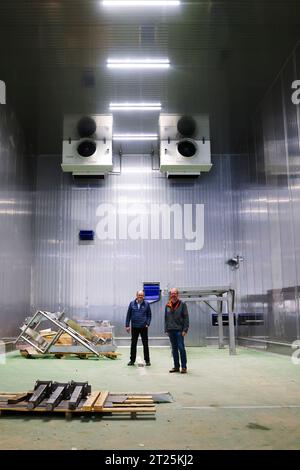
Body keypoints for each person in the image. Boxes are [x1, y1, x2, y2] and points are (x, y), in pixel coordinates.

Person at [165, 288, 189, 373]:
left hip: (179, 331)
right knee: (174, 349)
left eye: (175, 293)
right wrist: (166, 329)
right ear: (170, 295)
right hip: (171, 330)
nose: (173, 295)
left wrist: (185, 330)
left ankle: (184, 367)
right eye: (172, 293)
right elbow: (166, 318)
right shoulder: (168, 305)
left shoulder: (182, 304)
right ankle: (176, 366)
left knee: (181, 348)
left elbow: (186, 318)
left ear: (177, 294)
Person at [125, 290, 152, 366]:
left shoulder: (146, 304)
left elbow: (149, 315)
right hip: (134, 327)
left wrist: (147, 324)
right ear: (136, 295)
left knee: (145, 344)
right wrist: (127, 325)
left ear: (143, 296)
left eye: (142, 295)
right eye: (139, 295)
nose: (140, 296)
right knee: (133, 344)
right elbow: (128, 315)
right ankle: (132, 360)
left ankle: (147, 360)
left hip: (143, 327)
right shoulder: (132, 304)